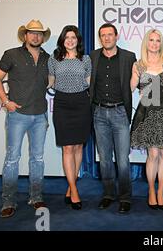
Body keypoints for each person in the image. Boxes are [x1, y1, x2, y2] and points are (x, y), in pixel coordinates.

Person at [0, 19, 51, 218]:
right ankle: (8, 201)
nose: (36, 36)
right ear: (25, 35)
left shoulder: (48, 58)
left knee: (38, 158)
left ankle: (36, 197)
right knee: (12, 159)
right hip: (17, 115)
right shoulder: (11, 54)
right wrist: (5, 100)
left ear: (43, 37)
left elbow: (51, 81)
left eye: (39, 33)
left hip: (40, 115)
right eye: (32, 33)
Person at [130, 29, 163, 210]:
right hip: (148, 112)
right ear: (146, 42)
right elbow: (129, 88)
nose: (154, 43)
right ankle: (151, 190)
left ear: (161, 43)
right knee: (152, 154)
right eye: (151, 40)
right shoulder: (139, 65)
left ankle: (161, 192)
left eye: (157, 40)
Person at [89, 23, 136, 214]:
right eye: (103, 35)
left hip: (119, 113)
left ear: (116, 36)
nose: (107, 38)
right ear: (100, 38)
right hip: (99, 113)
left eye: (110, 34)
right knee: (105, 159)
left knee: (123, 160)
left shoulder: (129, 57)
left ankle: (125, 198)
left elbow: (136, 81)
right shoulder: (92, 57)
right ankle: (108, 194)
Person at [48, 25, 91, 210]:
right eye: (67, 37)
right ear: (62, 40)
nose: (70, 40)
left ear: (78, 40)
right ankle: (74, 190)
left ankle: (70, 188)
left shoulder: (86, 59)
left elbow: (90, 83)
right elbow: (50, 82)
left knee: (78, 146)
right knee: (67, 148)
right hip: (62, 103)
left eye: (73, 37)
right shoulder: (54, 59)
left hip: (82, 103)